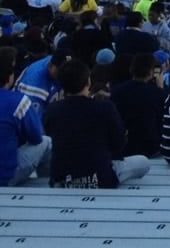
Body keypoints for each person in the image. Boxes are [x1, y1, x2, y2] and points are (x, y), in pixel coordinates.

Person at [44, 59, 149, 187]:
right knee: (143, 162)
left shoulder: (52, 109)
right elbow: (119, 144)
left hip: (62, 179)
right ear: (88, 81)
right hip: (99, 177)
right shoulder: (105, 107)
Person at [1, 56, 49, 185]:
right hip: (5, 176)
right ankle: (50, 186)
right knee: (47, 142)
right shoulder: (18, 101)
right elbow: (36, 138)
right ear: (10, 77)